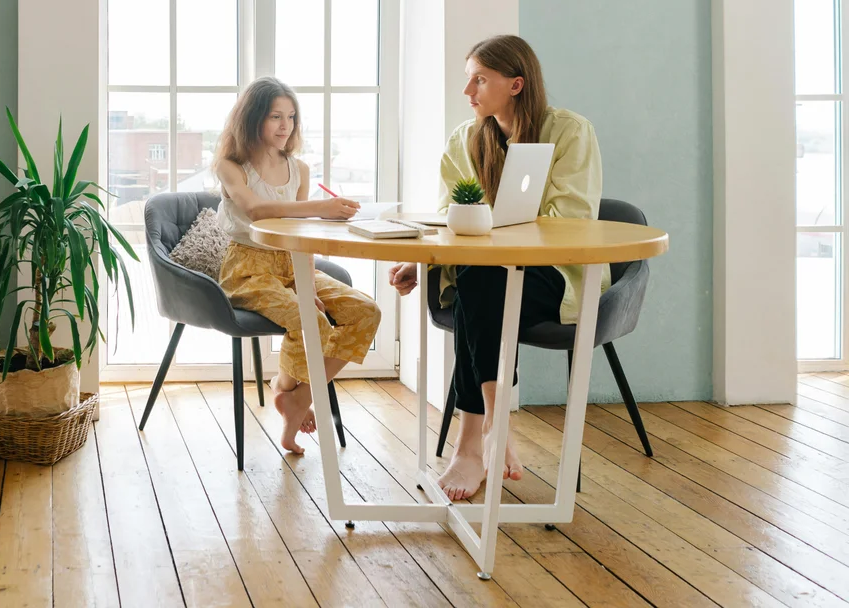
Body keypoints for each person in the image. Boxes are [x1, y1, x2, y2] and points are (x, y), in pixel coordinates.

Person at [389, 35, 606, 500]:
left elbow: (570, 222)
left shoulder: (570, 132)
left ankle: (473, 442)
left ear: (516, 84)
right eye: (468, 79)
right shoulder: (466, 139)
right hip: (483, 278)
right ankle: (494, 425)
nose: (468, 92)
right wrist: (421, 257)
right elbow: (450, 216)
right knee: (480, 280)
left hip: (552, 275)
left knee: (479, 284)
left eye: (480, 80)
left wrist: (493, 239)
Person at [215, 77, 383, 455]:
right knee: (309, 318)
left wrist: (306, 287)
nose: (284, 125)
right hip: (247, 267)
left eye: (290, 117)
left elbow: (302, 237)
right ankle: (293, 397)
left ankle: (294, 395)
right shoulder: (231, 166)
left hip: (293, 263)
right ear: (252, 118)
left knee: (366, 311)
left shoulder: (300, 169)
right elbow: (256, 210)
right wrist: (321, 209)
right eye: (275, 116)